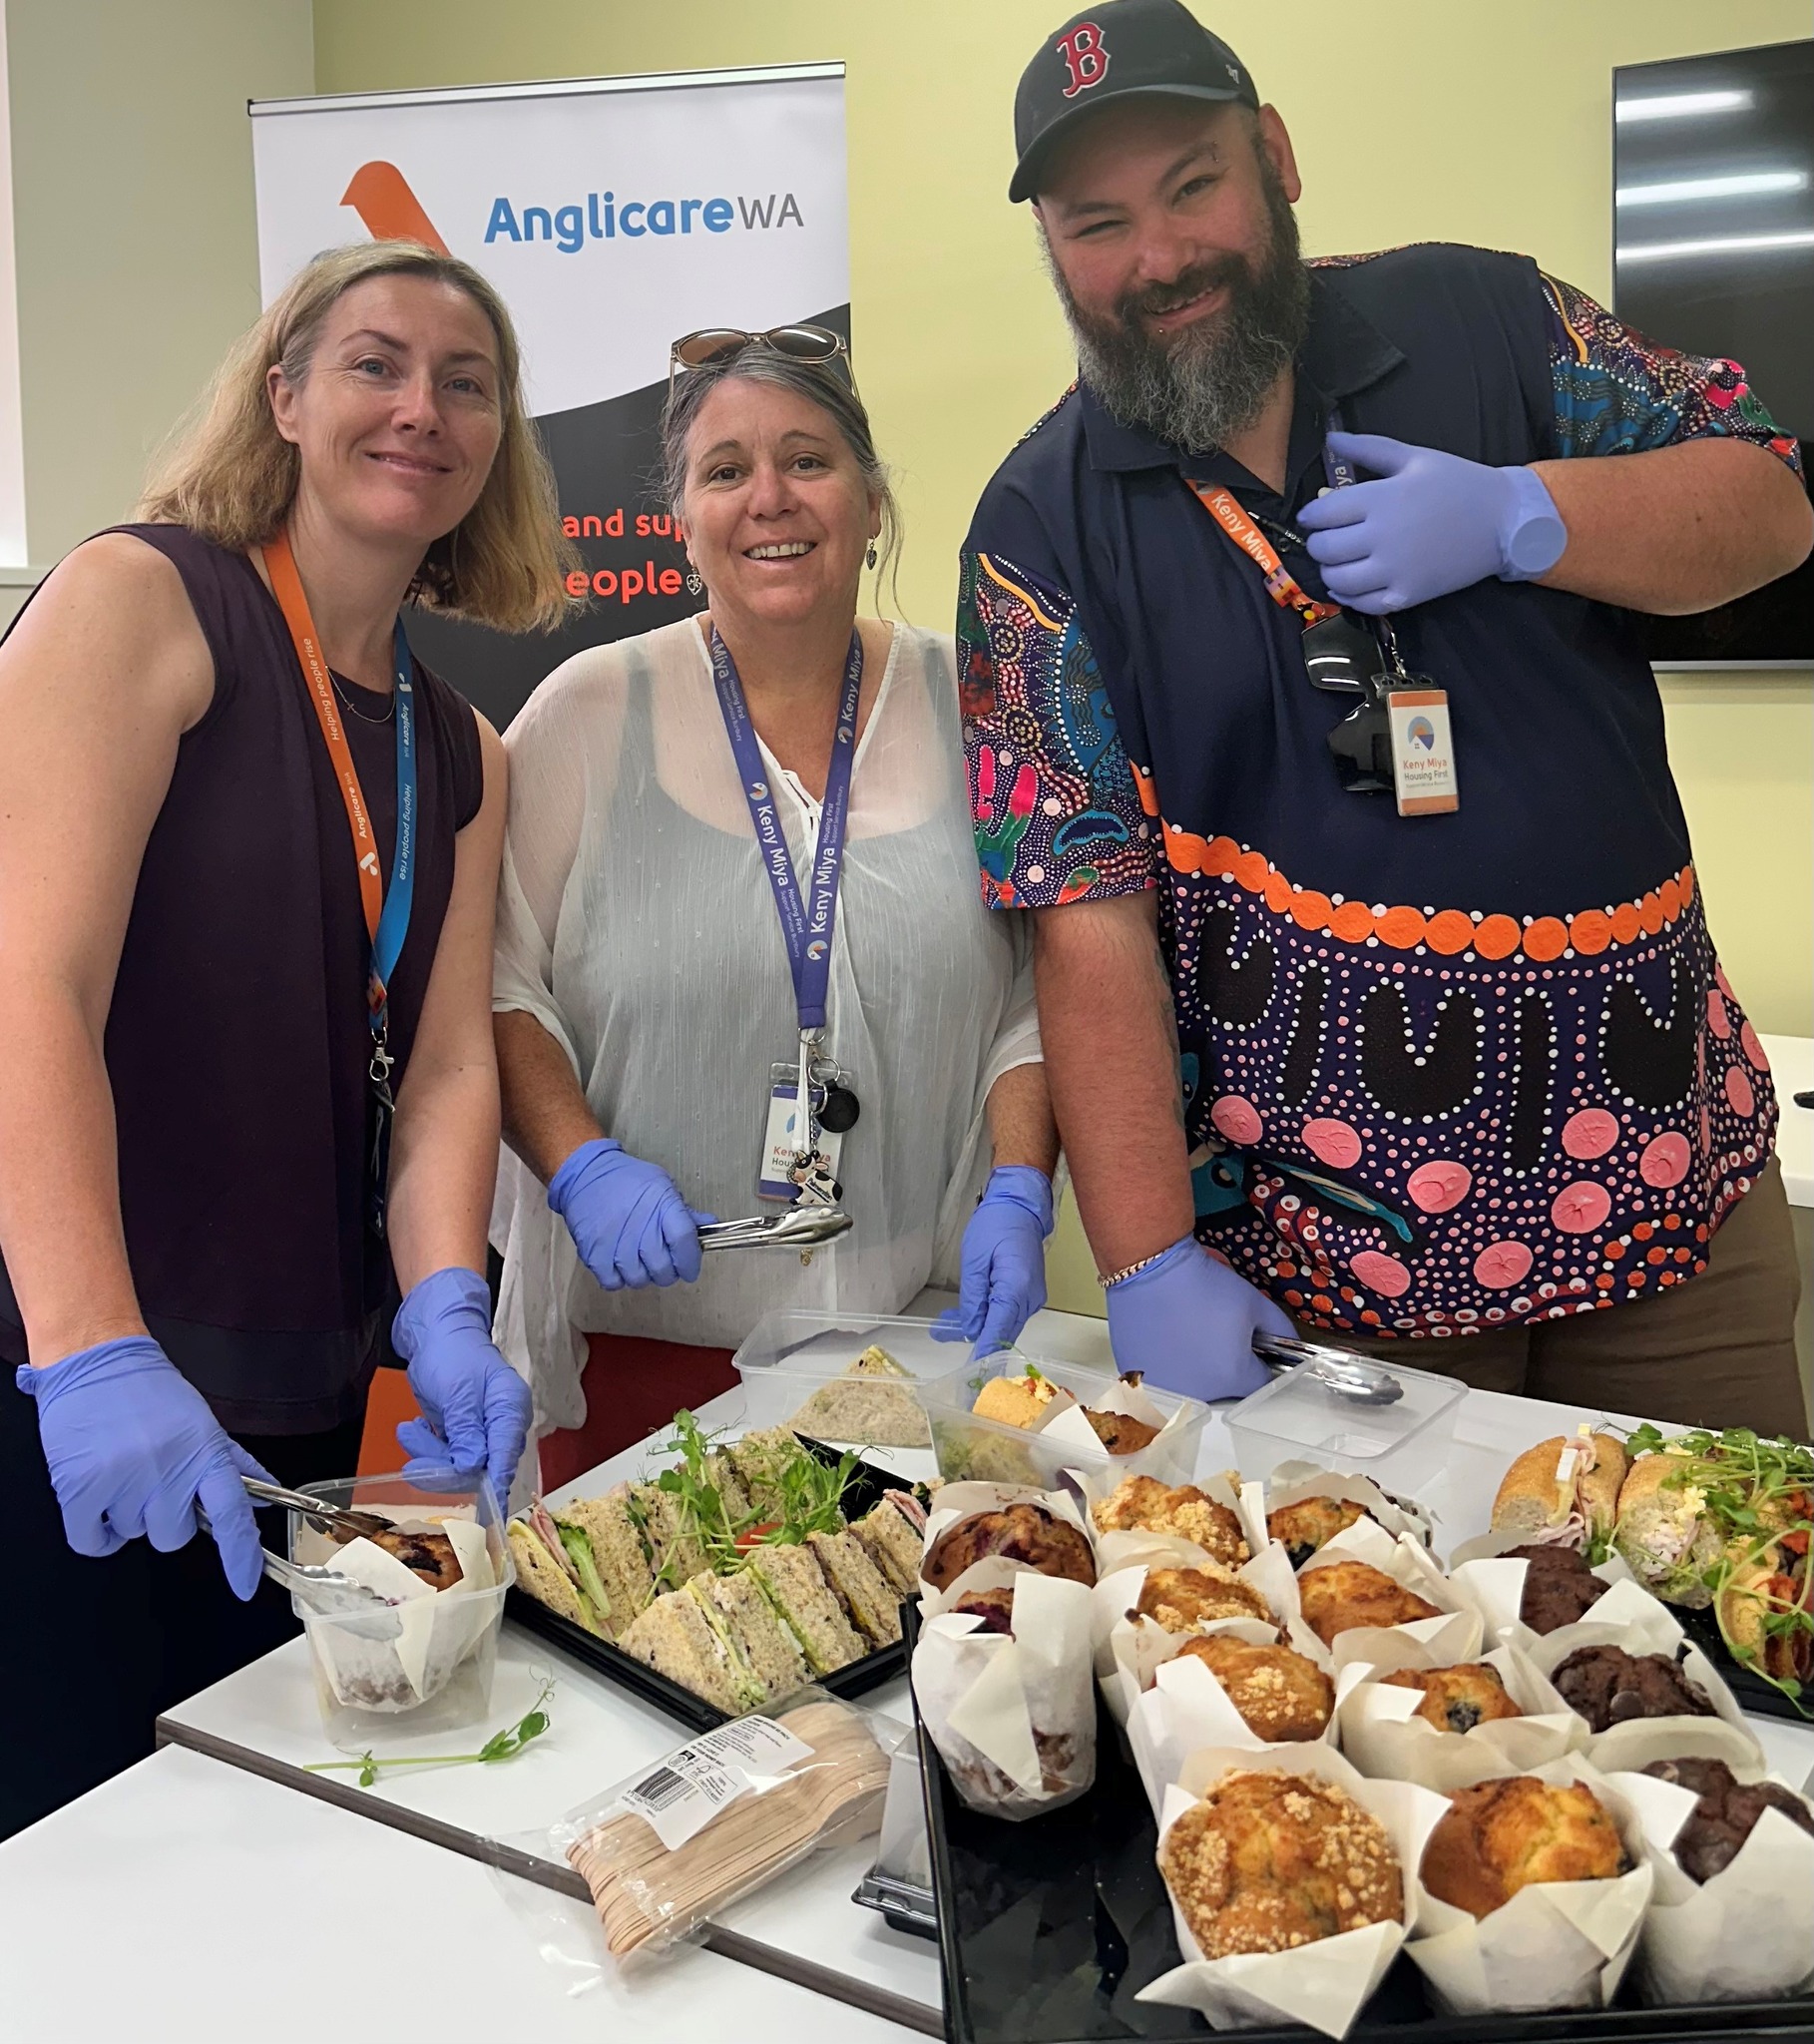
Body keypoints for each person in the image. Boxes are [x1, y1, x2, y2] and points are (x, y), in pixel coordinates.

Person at [959, 0, 1812, 1431]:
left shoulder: (1489, 321)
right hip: (1333, 1290)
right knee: (1388, 1655)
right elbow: (1081, 911)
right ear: (1050, 246)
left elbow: (1770, 498)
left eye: (1192, 185)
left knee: (1736, 1626)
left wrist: (1524, 514)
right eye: (1095, 222)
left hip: (1675, 1217)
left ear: (1274, 158)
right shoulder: (1036, 526)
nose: (1158, 258)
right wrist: (1147, 1255)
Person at [0, 241, 560, 1836]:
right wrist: (92, 1346)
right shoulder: (145, 600)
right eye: (376, 363)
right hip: (64, 1374)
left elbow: (447, 1061)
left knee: (237, 1838)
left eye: (468, 383)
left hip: (284, 1412)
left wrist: (449, 1298)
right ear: (285, 398)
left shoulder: (460, 746)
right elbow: (22, 983)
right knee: (60, 1849)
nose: (421, 408)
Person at [492, 328, 1058, 1473]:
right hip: (643, 1356)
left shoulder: (980, 706)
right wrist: (578, 1163)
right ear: (683, 516)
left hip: (914, 1349)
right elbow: (494, 986)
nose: (769, 499)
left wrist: (1020, 1181)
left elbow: (1042, 989)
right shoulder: (585, 717)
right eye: (725, 469)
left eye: (808, 459)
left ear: (873, 500)